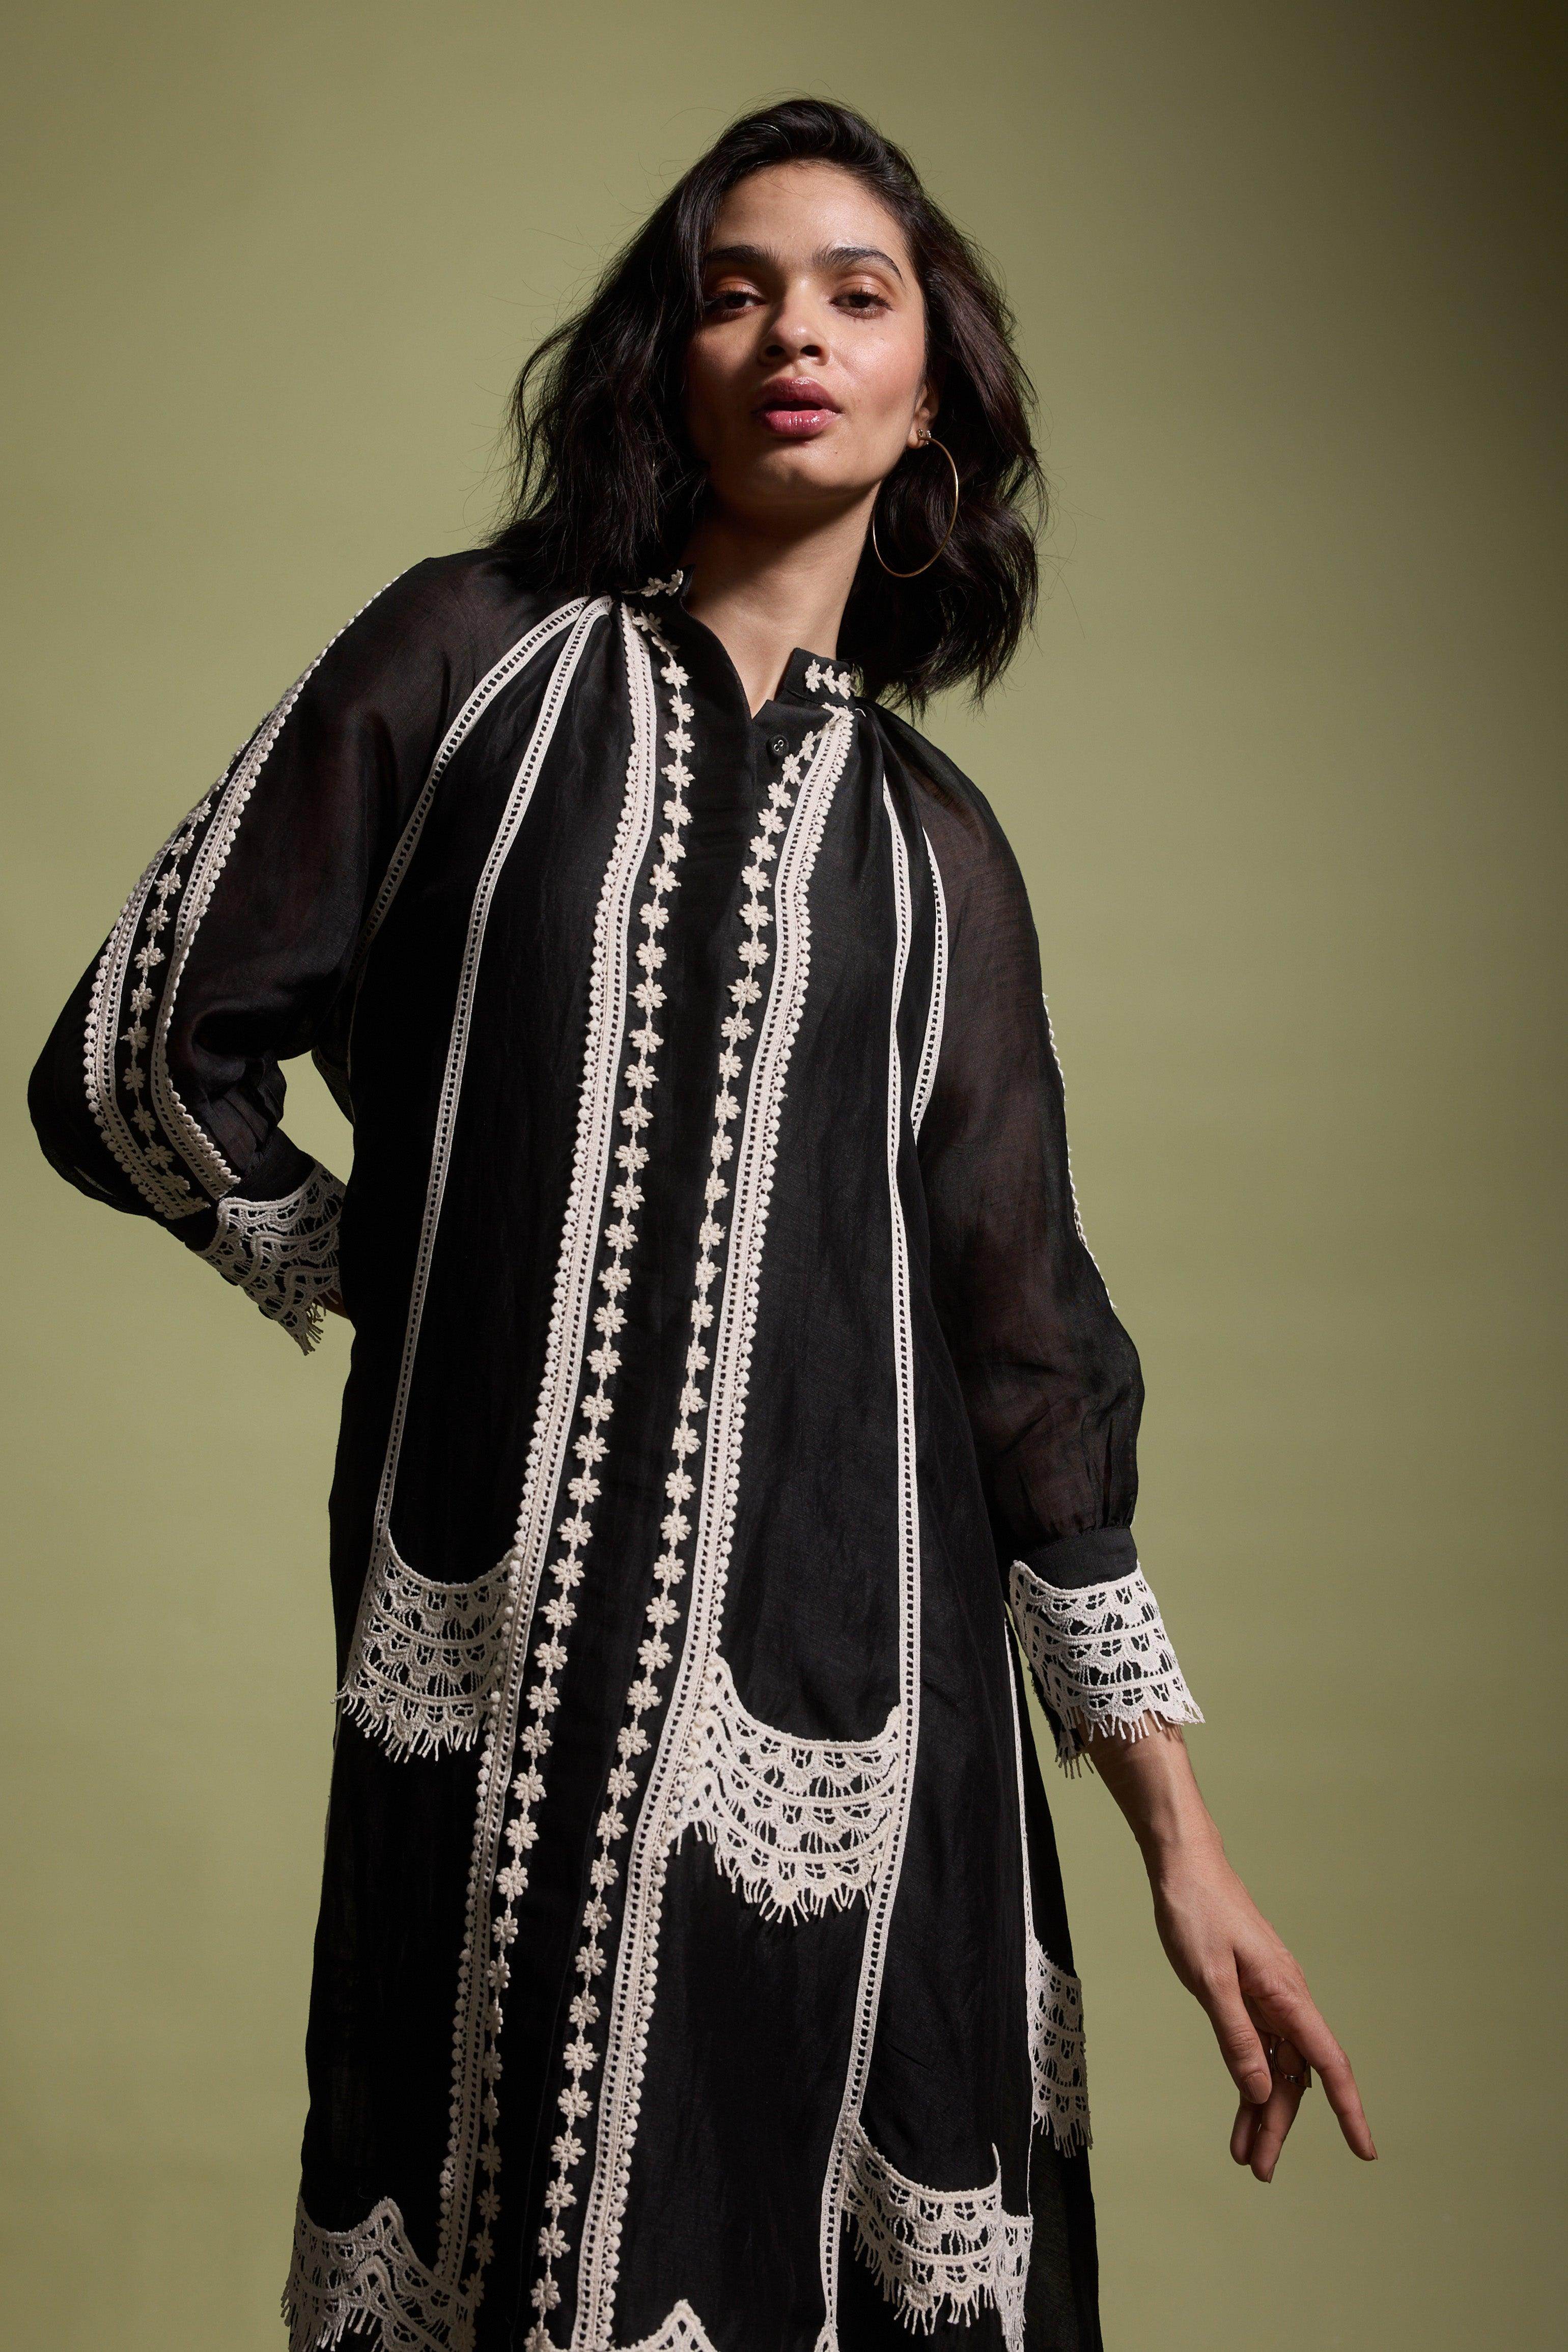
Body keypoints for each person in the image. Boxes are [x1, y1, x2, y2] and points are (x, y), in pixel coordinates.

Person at [27, 96, 1373, 2352]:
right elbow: (133, 1056)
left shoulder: (938, 854)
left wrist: (1182, 1842)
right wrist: (397, 1273)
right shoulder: (473, 662)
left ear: (930, 393)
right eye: (735, 291)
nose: (793, 335)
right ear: (667, 360)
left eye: (857, 295)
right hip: (510, 1706)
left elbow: (1030, 1365)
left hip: (870, 1751)